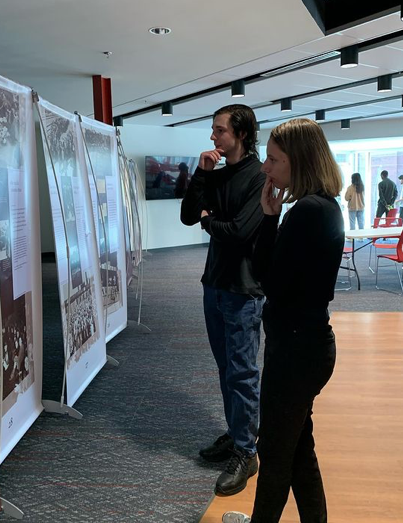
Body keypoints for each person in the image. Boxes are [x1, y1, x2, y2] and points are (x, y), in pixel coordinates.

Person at [223, 118, 344, 523]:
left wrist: (271, 220)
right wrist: (272, 217)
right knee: (297, 450)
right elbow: (270, 274)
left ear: (299, 161)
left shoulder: (308, 211)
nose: (265, 168)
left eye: (273, 160)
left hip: (296, 351)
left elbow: (267, 280)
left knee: (276, 454)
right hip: (304, 346)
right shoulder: (321, 206)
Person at [181, 104, 266, 496]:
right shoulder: (216, 172)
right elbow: (186, 214)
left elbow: (240, 232)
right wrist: (201, 174)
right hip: (214, 284)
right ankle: (237, 434)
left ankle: (247, 452)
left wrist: (207, 219)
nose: (212, 137)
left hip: (243, 290)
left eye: (219, 131)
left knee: (243, 373)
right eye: (213, 130)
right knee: (225, 368)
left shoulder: (258, 175)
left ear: (242, 134)